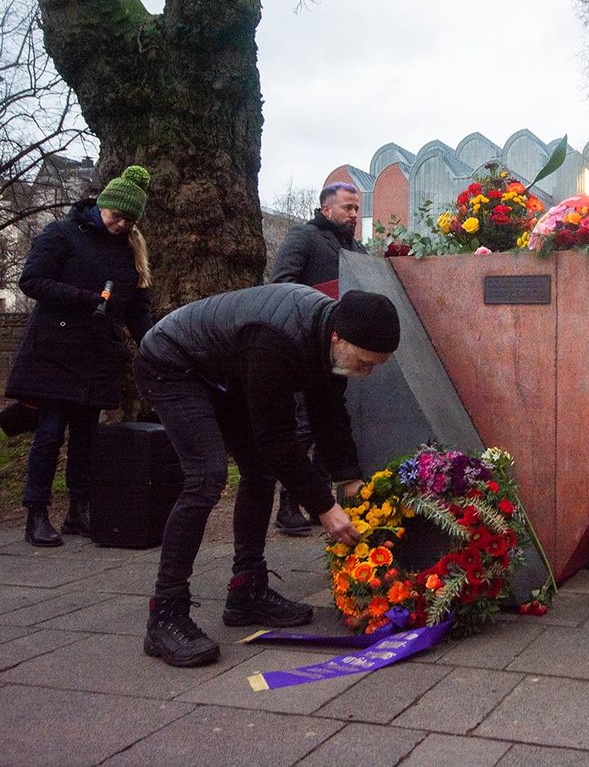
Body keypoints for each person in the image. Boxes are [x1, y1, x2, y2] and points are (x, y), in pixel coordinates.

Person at [135, 284, 399, 667]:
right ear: (340, 337)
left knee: (258, 471)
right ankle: (165, 613)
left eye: (376, 364)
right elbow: (276, 437)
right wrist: (324, 507)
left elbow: (329, 414)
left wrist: (348, 478)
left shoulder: (330, 341)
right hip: (173, 363)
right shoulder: (278, 340)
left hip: (222, 370)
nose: (367, 371)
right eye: (365, 362)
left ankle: (247, 590)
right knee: (206, 477)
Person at [5, 166, 154, 547]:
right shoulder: (62, 234)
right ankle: (36, 512)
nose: (121, 224)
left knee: (86, 437)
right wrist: (84, 298)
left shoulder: (129, 253)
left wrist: (153, 341)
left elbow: (136, 309)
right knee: (50, 433)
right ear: (102, 205)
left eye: (129, 220)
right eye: (116, 216)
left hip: (98, 355)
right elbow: (32, 281)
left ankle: (79, 509)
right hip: (54, 351)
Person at [268, 182, 367, 534]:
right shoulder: (305, 237)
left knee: (329, 424)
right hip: (303, 348)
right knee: (303, 427)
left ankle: (319, 503)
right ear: (327, 209)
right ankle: (288, 503)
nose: (354, 215)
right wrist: (319, 304)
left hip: (340, 350)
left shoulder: (356, 248)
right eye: (348, 208)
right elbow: (282, 285)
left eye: (357, 208)